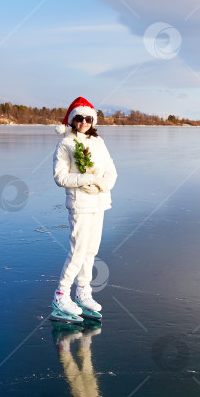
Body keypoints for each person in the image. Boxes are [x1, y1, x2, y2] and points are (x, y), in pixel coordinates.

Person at [51, 97, 117, 323]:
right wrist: (85, 178)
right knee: (78, 250)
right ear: (72, 121)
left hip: (100, 201)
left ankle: (82, 292)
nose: (84, 122)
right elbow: (60, 177)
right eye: (79, 119)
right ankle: (61, 295)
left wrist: (102, 184)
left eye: (88, 118)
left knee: (91, 250)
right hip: (80, 203)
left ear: (93, 120)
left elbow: (111, 171)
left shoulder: (99, 142)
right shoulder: (66, 144)